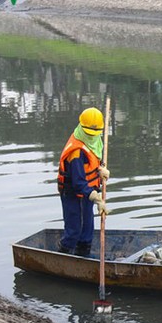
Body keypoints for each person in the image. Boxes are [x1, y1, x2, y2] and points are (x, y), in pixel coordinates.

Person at [56, 107, 110, 256]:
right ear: (82, 128)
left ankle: (83, 255)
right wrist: (97, 198)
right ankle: (63, 254)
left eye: (95, 133)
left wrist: (100, 170)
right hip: (74, 193)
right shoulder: (76, 151)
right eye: (88, 133)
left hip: (88, 192)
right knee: (74, 230)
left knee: (87, 228)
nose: (91, 136)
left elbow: (92, 162)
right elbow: (78, 182)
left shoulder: (95, 141)